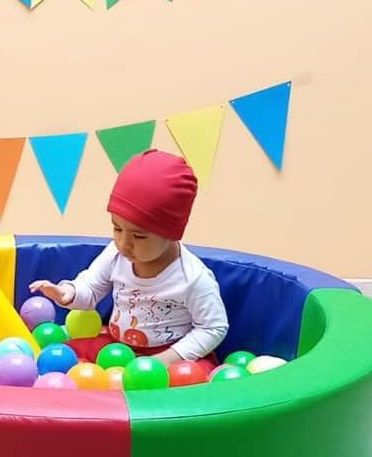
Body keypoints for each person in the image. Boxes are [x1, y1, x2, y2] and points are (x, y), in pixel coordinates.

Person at [30, 150, 228, 368]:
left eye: (139, 236)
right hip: (118, 349)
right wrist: (68, 293)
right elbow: (91, 288)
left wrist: (167, 359)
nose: (124, 243)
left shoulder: (192, 278)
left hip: (169, 355)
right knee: (62, 355)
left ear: (171, 233)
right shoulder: (115, 254)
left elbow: (213, 327)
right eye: (117, 228)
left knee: (198, 376)